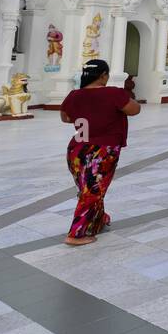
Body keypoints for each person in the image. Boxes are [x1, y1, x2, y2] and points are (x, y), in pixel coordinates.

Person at [59, 59, 140, 247]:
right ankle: (76, 234)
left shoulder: (74, 95)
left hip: (77, 149)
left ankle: (98, 219)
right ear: (104, 75)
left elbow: (65, 117)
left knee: (90, 188)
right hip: (102, 150)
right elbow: (134, 109)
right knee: (93, 190)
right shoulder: (113, 93)